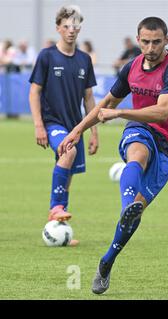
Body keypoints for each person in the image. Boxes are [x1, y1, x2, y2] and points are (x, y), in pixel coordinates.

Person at [58, 16, 168, 294]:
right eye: (145, 41)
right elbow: (106, 103)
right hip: (141, 129)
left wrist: (119, 113)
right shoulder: (131, 67)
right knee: (136, 155)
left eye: (157, 42)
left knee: (137, 214)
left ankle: (107, 262)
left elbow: (163, 111)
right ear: (138, 40)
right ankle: (127, 204)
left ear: (167, 40)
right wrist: (77, 131)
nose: (151, 47)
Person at [28, 5, 98, 247]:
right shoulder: (47, 56)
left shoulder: (84, 60)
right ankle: (56, 207)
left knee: (67, 172)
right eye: (66, 26)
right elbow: (34, 92)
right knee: (69, 150)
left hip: (75, 126)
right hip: (52, 123)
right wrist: (39, 125)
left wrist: (94, 132)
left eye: (75, 25)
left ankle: (58, 225)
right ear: (58, 28)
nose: (71, 30)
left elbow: (89, 98)